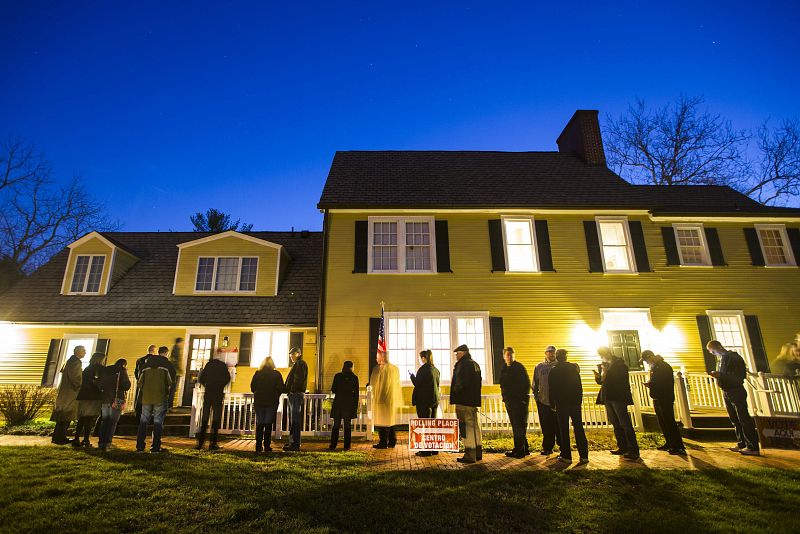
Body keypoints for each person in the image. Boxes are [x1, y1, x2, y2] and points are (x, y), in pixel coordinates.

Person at [707, 340, 760, 455]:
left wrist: (720, 375)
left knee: (743, 418)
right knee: (735, 419)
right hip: (726, 391)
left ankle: (753, 446)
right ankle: (742, 443)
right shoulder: (721, 361)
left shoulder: (734, 358)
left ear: (719, 347)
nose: (712, 354)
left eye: (713, 351)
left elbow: (739, 376)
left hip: (736, 391)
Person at [594, 346, 640, 460]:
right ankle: (622, 447)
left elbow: (619, 380)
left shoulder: (620, 365)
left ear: (608, 353)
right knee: (615, 423)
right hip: (607, 397)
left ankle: (633, 449)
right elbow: (602, 381)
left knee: (625, 423)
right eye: (600, 355)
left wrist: (606, 372)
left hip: (618, 397)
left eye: (603, 355)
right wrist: (598, 377)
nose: (602, 357)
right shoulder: (604, 365)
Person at [641, 350, 686, 455]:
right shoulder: (655, 367)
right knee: (663, 422)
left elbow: (663, 382)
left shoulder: (663, 366)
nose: (647, 363)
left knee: (669, 421)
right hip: (657, 397)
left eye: (646, 360)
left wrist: (652, 384)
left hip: (664, 397)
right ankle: (669, 442)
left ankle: (678, 446)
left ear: (650, 357)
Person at [549, 349, 589, 465]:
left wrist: (553, 403)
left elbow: (552, 389)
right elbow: (579, 386)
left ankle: (567, 456)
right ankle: (584, 455)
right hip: (574, 402)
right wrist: (578, 401)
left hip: (562, 403)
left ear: (557, 357)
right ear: (566, 358)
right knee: (578, 427)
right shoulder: (573, 369)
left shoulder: (554, 371)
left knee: (563, 429)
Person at [136, 346, 173, 453]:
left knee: (143, 421)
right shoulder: (165, 368)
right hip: (160, 398)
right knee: (158, 422)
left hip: (146, 398)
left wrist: (146, 390)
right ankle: (155, 447)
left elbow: (139, 383)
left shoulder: (145, 368)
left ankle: (140, 446)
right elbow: (170, 383)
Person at [451, 344, 483, 464]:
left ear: (462, 353)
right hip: (473, 401)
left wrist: (456, 393)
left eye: (457, 353)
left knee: (466, 428)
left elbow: (460, 383)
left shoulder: (463, 365)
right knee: (475, 427)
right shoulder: (475, 364)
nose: (456, 356)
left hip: (463, 401)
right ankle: (478, 452)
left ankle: (470, 454)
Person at [195, 348, 231, 451]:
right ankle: (213, 443)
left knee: (205, 418)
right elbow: (227, 378)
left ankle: (200, 443)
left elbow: (202, 378)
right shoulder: (223, 366)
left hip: (208, 393)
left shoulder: (209, 365)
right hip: (218, 393)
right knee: (216, 418)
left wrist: (206, 385)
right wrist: (220, 385)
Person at [499, 347, 531, 458]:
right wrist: (504, 397)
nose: (510, 356)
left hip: (519, 402)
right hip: (509, 401)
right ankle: (524, 448)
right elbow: (502, 384)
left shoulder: (519, 368)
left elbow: (526, 384)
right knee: (516, 425)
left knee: (518, 425)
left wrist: (522, 399)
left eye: (512, 354)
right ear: (504, 356)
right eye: (508, 355)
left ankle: (519, 451)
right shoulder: (504, 368)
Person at [50, 346, 85, 444]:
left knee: (61, 417)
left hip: (64, 392)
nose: (85, 353)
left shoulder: (69, 361)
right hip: (70, 393)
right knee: (66, 416)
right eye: (84, 351)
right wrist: (79, 386)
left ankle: (57, 436)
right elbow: (76, 377)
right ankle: (60, 437)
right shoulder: (76, 362)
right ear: (78, 352)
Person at [410, 350, 441, 456]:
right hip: (434, 401)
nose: (419, 360)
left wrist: (412, 376)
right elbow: (437, 385)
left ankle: (426, 450)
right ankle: (434, 448)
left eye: (420, 358)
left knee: (425, 425)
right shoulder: (436, 370)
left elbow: (417, 383)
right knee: (432, 425)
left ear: (423, 358)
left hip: (423, 401)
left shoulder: (423, 369)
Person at [369, 350, 402, 449]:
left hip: (382, 398)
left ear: (382, 357)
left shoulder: (380, 369)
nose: (376, 359)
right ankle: (392, 441)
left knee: (383, 422)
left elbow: (378, 383)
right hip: (391, 399)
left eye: (378, 357)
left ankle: (383, 442)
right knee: (390, 421)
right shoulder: (395, 368)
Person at [250, 356, 284, 452]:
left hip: (259, 400)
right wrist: (276, 394)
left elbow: (252, 387)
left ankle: (258, 445)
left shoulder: (257, 374)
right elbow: (281, 387)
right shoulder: (276, 374)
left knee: (260, 423)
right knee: (268, 424)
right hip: (272, 401)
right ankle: (267, 445)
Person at [533, 345, 562, 456]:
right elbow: (535, 382)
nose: (551, 354)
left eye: (553, 352)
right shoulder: (539, 367)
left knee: (558, 425)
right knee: (546, 426)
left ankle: (562, 447)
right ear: (545, 353)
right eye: (549, 352)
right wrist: (536, 396)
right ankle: (547, 448)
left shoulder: (559, 365)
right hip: (543, 401)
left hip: (556, 401)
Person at [72, 352, 106, 448]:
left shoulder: (87, 369)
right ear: (100, 360)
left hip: (84, 395)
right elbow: (98, 381)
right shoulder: (99, 369)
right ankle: (86, 439)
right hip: (93, 396)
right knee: (90, 418)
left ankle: (76, 438)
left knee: (82, 418)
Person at [98, 358, 131, 451]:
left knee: (105, 420)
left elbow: (100, 384)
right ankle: (108, 443)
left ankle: (101, 442)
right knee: (113, 421)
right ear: (124, 365)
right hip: (118, 399)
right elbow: (126, 385)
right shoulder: (122, 370)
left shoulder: (106, 370)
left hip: (105, 398)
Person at [329, 360, 360, 451]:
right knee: (347, 425)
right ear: (351, 367)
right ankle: (347, 445)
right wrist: (355, 406)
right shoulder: (354, 378)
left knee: (336, 425)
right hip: (348, 403)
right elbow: (356, 394)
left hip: (338, 402)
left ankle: (333, 444)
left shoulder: (337, 376)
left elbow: (333, 389)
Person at [283, 347, 308, 451]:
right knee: (294, 419)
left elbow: (298, 379)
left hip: (295, 394)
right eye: (290, 356)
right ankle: (292, 442)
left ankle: (295, 443)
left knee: (295, 419)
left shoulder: (300, 364)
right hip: (295, 393)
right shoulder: (299, 364)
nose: (291, 357)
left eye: (292, 355)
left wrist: (292, 390)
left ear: (298, 354)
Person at [134, 345, 157, 420]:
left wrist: (138, 379)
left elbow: (136, 372)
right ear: (154, 351)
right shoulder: (155, 360)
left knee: (139, 398)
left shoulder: (139, 360)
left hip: (141, 382)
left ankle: (138, 413)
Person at [168, 337, 185, 407]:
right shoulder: (176, 350)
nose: (182, 344)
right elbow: (175, 361)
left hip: (174, 372)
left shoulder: (175, 349)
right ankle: (169, 406)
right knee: (172, 389)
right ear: (178, 342)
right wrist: (180, 370)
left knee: (172, 389)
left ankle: (169, 405)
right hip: (175, 372)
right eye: (181, 342)